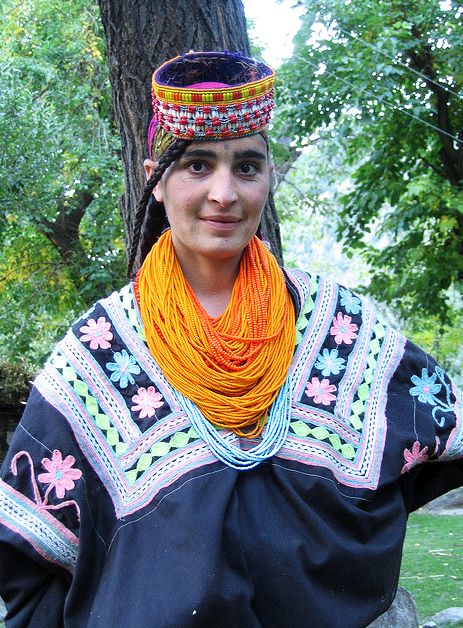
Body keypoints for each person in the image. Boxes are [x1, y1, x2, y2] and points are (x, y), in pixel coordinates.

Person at [0, 50, 461, 628]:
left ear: (268, 178)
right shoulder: (101, 350)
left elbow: (435, 438)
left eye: (247, 167)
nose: (224, 193)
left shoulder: (336, 324)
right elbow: (32, 550)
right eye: (197, 165)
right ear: (155, 180)